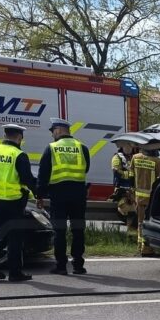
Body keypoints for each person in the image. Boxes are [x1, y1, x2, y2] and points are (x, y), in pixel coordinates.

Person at [0, 123, 37, 282]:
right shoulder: (18, 154)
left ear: (4, 136)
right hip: (14, 200)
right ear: (19, 137)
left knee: (4, 231)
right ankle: (12, 271)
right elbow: (27, 179)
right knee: (15, 237)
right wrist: (39, 193)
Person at [38, 117, 91, 274]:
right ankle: (78, 265)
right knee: (78, 230)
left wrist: (40, 195)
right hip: (78, 193)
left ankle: (61, 266)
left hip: (58, 193)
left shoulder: (52, 148)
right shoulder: (82, 147)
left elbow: (43, 174)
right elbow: (86, 168)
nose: (52, 135)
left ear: (59, 130)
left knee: (59, 230)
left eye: (53, 131)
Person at [131, 143, 160, 256]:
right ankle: (147, 249)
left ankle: (140, 246)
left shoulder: (135, 158)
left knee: (140, 222)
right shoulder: (158, 161)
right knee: (148, 223)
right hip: (151, 198)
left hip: (138, 196)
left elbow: (131, 175)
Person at [111, 140, 137, 230]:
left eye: (130, 146)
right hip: (121, 188)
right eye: (126, 146)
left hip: (133, 188)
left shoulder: (135, 157)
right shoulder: (117, 157)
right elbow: (117, 172)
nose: (128, 148)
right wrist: (130, 175)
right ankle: (130, 228)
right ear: (121, 147)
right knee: (127, 207)